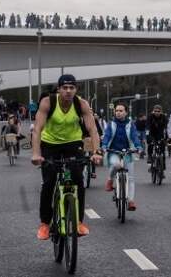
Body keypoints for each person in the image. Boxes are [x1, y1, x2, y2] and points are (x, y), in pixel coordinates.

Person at [31, 74, 102, 240]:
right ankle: (45, 224)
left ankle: (78, 222)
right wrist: (36, 154)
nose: (68, 91)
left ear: (76, 89)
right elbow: (37, 130)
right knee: (49, 182)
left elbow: (92, 130)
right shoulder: (48, 102)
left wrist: (96, 152)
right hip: (50, 144)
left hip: (73, 144)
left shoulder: (81, 104)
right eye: (65, 88)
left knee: (77, 179)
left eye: (72, 88)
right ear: (59, 89)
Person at [101, 103, 143, 211]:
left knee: (131, 178)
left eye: (121, 111)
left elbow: (134, 136)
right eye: (117, 111)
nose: (118, 113)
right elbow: (107, 135)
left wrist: (138, 146)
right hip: (114, 151)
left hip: (127, 152)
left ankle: (130, 201)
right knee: (116, 164)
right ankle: (110, 180)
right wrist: (104, 145)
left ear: (126, 112)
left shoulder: (131, 124)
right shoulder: (111, 124)